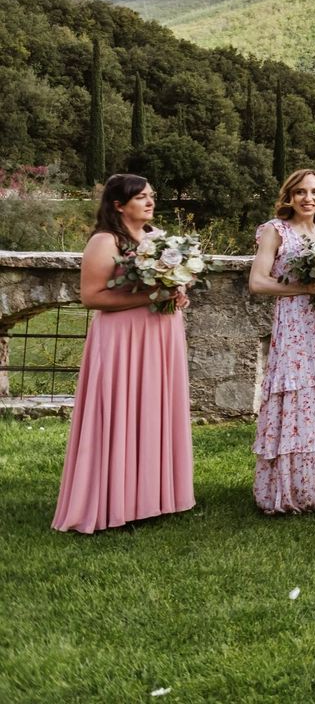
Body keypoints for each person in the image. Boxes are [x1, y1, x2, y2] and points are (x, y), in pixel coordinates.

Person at [53, 174, 195, 533]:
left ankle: (152, 497)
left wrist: (178, 292)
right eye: (140, 198)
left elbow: (170, 284)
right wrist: (152, 297)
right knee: (118, 410)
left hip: (161, 334)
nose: (149, 202)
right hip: (121, 337)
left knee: (153, 408)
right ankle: (111, 500)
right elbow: (92, 297)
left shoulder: (156, 238)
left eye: (151, 196)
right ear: (118, 205)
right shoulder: (105, 241)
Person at [247, 169, 315, 514]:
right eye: (301, 192)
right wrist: (304, 289)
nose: (309, 198)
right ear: (289, 196)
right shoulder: (275, 231)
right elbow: (258, 283)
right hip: (293, 323)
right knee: (296, 395)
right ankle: (287, 489)